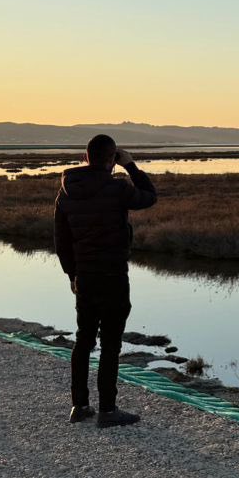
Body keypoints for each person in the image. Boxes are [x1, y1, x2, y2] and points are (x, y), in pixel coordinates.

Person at [54, 134, 158, 427]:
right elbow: (150, 196)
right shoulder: (117, 188)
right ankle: (108, 411)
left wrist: (72, 274)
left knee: (83, 339)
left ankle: (79, 406)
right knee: (111, 344)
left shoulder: (66, 191)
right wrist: (131, 166)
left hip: (84, 277)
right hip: (113, 276)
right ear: (112, 159)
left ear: (85, 158)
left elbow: (61, 241)